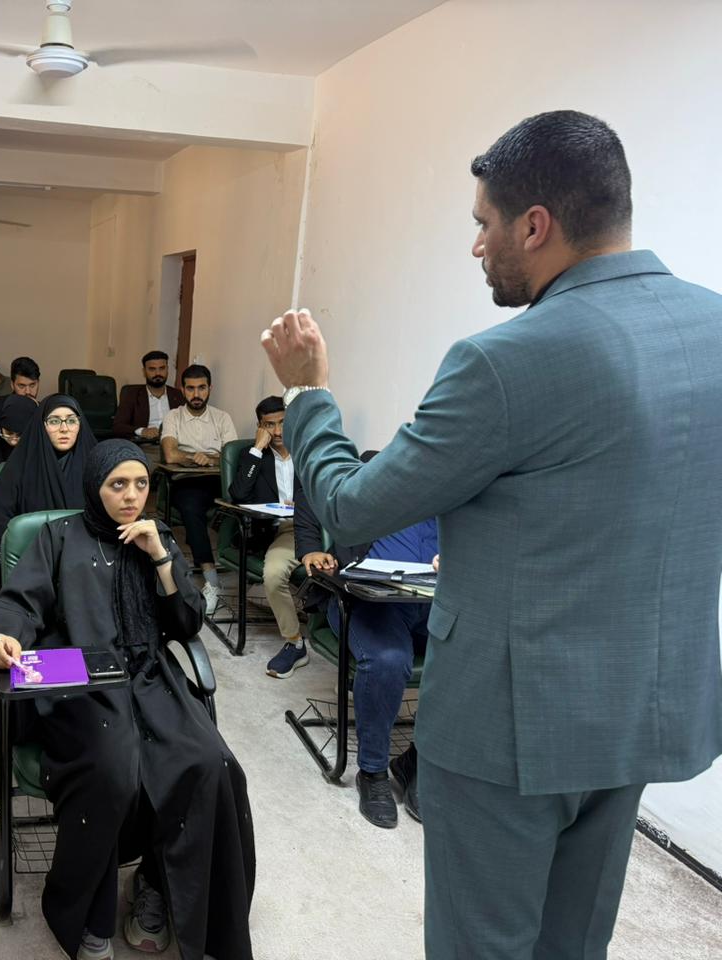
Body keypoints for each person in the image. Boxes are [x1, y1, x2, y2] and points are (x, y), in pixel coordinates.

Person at [261, 110, 722, 959]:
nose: (477, 245)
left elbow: (352, 506)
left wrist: (308, 392)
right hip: (640, 713)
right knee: (573, 944)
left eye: (484, 223)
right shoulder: (713, 328)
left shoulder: (504, 361)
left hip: (510, 727)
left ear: (534, 226)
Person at [0, 440, 255, 960]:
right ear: (95, 486)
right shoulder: (58, 536)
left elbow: (186, 623)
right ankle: (90, 913)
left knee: (211, 763)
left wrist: (160, 557)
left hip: (150, 676)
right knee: (114, 771)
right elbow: (20, 601)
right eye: (117, 485)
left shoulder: (158, 537)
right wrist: (4, 637)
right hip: (82, 682)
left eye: (141, 485)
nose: (131, 496)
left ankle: (159, 883)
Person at [293, 451, 436, 827]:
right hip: (367, 602)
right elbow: (311, 482)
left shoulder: (453, 495)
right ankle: (372, 772)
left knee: (476, 655)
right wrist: (309, 546)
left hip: (432, 605)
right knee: (388, 658)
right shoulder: (371, 475)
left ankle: (417, 760)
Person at [227, 396, 307, 676]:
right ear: (260, 427)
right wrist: (258, 448)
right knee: (273, 574)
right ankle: (295, 643)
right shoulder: (253, 455)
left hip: (308, 526)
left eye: (283, 422)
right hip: (275, 530)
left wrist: (304, 504)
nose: (278, 431)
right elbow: (238, 495)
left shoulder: (308, 451)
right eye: (269, 425)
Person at [160, 364, 237, 614]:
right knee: (191, 506)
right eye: (191, 388)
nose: (196, 394)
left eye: (201, 388)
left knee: (247, 497)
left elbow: (231, 457)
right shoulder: (173, 417)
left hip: (217, 481)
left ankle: (252, 569)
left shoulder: (222, 417)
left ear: (210, 388)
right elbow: (170, 455)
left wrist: (210, 459)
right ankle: (211, 579)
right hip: (185, 481)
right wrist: (196, 458)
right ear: (182, 390)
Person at [0, 394, 98, 548]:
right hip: (32, 555)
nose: (64, 429)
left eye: (71, 420)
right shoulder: (18, 467)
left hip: (88, 556)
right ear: (41, 426)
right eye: (54, 421)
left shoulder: (97, 466)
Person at [114, 350, 186, 441]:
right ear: (144, 371)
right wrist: (142, 431)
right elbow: (118, 426)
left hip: (175, 442)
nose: (157, 373)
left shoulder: (178, 395)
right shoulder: (132, 395)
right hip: (145, 444)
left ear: (167, 369)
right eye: (152, 369)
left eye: (162, 368)